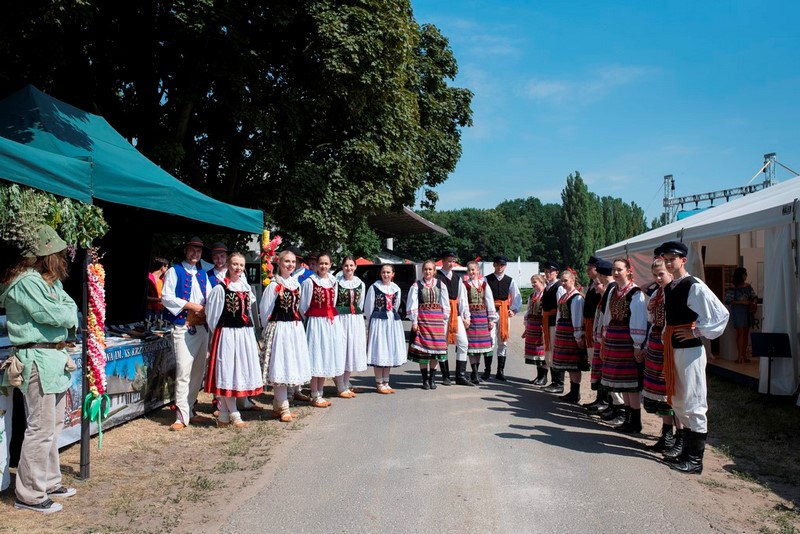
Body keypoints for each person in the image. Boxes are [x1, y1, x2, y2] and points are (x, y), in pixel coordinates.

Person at [0, 225, 77, 514]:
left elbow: (70, 307)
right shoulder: (25, 281)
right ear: (47, 254)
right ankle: (30, 494)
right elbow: (51, 313)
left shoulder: (49, 282)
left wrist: (65, 313)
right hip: (37, 360)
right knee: (40, 428)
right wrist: (65, 314)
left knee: (53, 426)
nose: (63, 258)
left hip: (53, 359)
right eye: (59, 253)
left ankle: (48, 481)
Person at [659, 240, 729, 474]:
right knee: (679, 400)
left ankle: (695, 460)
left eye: (672, 259)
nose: (669, 263)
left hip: (690, 351)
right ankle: (686, 451)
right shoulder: (669, 287)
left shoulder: (694, 285)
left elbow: (720, 315)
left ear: (683, 260)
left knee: (694, 402)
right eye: (666, 260)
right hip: (674, 349)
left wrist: (696, 331)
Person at [204, 252, 264, 428]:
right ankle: (234, 414)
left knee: (238, 371)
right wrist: (222, 333)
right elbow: (212, 316)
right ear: (228, 266)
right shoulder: (220, 288)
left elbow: (248, 311)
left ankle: (223, 415)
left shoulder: (245, 288)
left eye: (241, 265)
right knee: (228, 372)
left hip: (244, 334)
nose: (238, 268)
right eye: (235, 264)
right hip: (227, 334)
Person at [162, 236, 212, 431]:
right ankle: (181, 416)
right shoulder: (175, 271)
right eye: (192, 249)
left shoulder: (202, 274)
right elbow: (166, 297)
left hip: (202, 326)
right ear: (185, 251)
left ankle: (190, 409)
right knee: (184, 370)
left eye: (198, 251)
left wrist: (206, 309)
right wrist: (191, 305)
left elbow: (210, 297)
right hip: (184, 325)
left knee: (198, 372)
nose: (195, 253)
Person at [259, 250, 312, 422]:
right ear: (279, 263)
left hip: (294, 329)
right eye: (287, 261)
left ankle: (278, 406)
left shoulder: (296, 284)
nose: (290, 265)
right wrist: (270, 331)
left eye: (293, 262)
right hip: (279, 328)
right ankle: (283, 407)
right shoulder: (274, 285)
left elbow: (299, 307)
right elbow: (265, 310)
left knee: (289, 365)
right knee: (280, 366)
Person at [600, 258, 647, 433]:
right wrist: (605, 337)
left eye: (619, 269)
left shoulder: (635, 293)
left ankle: (636, 422)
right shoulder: (614, 291)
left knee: (631, 382)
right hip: (614, 340)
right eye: (614, 269)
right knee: (622, 382)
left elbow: (639, 319)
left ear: (628, 270)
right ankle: (628, 419)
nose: (616, 272)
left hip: (628, 340)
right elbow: (607, 315)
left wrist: (637, 344)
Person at [642, 255, 684, 453]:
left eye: (661, 274)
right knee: (661, 394)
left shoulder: (675, 292)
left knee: (673, 391)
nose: (658, 278)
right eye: (655, 275)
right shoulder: (658, 293)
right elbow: (652, 320)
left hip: (670, 344)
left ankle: (680, 437)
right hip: (656, 342)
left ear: (670, 273)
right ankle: (666, 435)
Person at [300, 252, 348, 407]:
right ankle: (315, 393)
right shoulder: (310, 282)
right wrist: (313, 318)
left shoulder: (333, 281)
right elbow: (303, 306)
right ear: (316, 264)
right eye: (321, 263)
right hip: (316, 323)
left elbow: (333, 302)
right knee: (316, 355)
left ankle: (320, 393)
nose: (323, 266)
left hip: (330, 323)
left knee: (325, 355)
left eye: (326, 264)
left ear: (330, 265)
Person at [407, 260, 450, 389]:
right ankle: (425, 380)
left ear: (434, 271)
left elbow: (445, 304)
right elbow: (412, 304)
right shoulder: (417, 285)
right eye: (425, 269)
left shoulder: (441, 285)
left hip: (437, 321)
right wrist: (414, 321)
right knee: (423, 352)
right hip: (423, 320)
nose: (428, 271)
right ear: (422, 270)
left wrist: (444, 320)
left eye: (430, 269)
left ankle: (432, 379)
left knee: (436, 351)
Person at [364, 264, 407, 393]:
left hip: (392, 322)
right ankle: (379, 382)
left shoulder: (396, 288)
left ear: (393, 274)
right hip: (379, 321)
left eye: (388, 272)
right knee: (379, 349)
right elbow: (368, 307)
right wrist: (372, 322)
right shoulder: (374, 287)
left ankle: (386, 381)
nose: (386, 274)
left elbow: (396, 305)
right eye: (383, 272)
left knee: (389, 349)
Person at [436, 250, 473, 386]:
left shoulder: (457, 278)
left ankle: (460, 376)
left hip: (455, 314)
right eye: (449, 261)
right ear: (443, 261)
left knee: (463, 343)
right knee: (443, 345)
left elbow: (463, 298)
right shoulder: (437, 277)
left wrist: (466, 316)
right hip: (441, 315)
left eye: (453, 261)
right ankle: (445, 376)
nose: (451, 264)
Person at [483, 255, 522, 381]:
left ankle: (500, 371)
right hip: (490, 312)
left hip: (504, 312)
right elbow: (482, 295)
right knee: (490, 340)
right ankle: (487, 370)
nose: (500, 267)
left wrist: (514, 309)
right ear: (494, 265)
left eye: (502, 265)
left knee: (503, 341)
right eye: (498, 264)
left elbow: (516, 296)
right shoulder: (486, 279)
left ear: (505, 266)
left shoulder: (510, 280)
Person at [550, 269, 586, 403]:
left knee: (574, 365)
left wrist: (578, 336)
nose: (563, 283)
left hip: (571, 334)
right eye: (562, 281)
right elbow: (559, 315)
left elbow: (577, 318)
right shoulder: (564, 297)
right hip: (563, 334)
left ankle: (575, 393)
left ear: (573, 280)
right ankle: (572, 391)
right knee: (569, 365)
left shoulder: (576, 298)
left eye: (565, 280)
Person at [336, 256, 367, 393]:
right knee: (342, 349)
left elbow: (361, 303)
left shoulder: (360, 283)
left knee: (351, 350)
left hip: (355, 320)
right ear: (342, 267)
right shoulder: (337, 283)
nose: (348, 268)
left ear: (355, 267)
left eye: (351, 265)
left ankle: (346, 382)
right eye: (346, 266)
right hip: (341, 319)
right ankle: (340, 384)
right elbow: (334, 302)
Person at [463, 261, 497, 384]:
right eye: (469, 270)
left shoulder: (484, 284)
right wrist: (466, 317)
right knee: (472, 346)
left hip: (482, 316)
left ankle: (475, 373)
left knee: (480, 347)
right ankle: (475, 372)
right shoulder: (465, 285)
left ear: (478, 271)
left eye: (473, 270)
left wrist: (491, 319)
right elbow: (464, 302)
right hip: (471, 317)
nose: (471, 272)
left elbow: (489, 301)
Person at [540, 260, 565, 392]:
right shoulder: (547, 287)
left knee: (555, 352)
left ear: (556, 273)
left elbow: (561, 307)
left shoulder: (559, 287)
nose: (548, 273)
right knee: (549, 352)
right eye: (546, 271)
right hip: (547, 322)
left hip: (554, 323)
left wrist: (558, 324)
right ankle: (554, 381)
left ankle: (559, 383)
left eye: (551, 271)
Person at [724, 267, 757, 364]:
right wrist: (742, 302)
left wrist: (753, 302)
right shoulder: (733, 287)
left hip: (747, 311)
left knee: (746, 333)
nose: (746, 276)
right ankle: (740, 356)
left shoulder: (748, 286)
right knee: (740, 333)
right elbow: (728, 300)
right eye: (744, 274)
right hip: (738, 312)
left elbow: (754, 296)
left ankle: (744, 355)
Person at [522, 274, 547, 384]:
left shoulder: (545, 294)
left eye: (535, 282)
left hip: (541, 326)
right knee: (536, 353)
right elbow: (528, 310)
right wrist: (526, 324)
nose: (533, 284)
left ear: (541, 282)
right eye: (532, 282)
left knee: (542, 352)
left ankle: (544, 377)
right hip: (532, 326)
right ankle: (539, 376)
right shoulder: (532, 295)